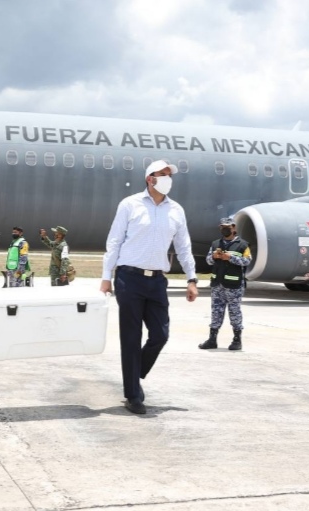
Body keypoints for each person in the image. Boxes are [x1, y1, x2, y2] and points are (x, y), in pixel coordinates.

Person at [100, 159, 199, 415]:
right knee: (131, 338)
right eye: (162, 174)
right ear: (149, 179)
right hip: (128, 278)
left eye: (170, 174)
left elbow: (183, 246)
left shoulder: (176, 210)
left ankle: (136, 371)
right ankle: (133, 394)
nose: (168, 178)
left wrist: (192, 278)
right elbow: (114, 240)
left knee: (160, 334)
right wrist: (105, 276)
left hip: (156, 281)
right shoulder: (130, 205)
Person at [198, 217, 252, 351]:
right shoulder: (216, 244)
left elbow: (247, 261)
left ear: (234, 228)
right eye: (222, 227)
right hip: (218, 284)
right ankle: (212, 339)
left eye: (227, 227)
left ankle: (237, 340)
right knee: (216, 312)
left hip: (234, 285)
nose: (224, 229)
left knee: (234, 312)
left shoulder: (242, 245)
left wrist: (231, 258)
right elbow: (208, 260)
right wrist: (214, 257)